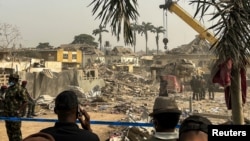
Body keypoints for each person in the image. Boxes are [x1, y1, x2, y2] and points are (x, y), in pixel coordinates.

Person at [3, 74, 28, 141]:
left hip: (15, 115)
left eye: (11, 79)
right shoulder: (9, 89)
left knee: (16, 134)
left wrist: (19, 111)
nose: (9, 80)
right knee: (9, 132)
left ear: (15, 80)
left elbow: (25, 101)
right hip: (8, 115)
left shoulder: (20, 89)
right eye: (9, 79)